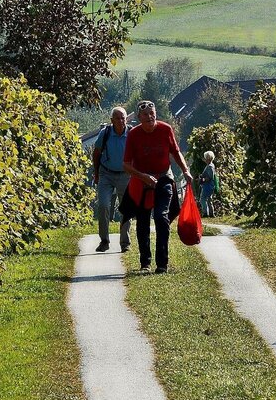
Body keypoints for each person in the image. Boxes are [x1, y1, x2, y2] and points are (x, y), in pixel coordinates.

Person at [123, 100, 194, 274]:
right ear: (139, 118)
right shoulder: (134, 134)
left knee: (161, 218)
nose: (150, 117)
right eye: (145, 115)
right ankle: (145, 263)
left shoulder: (166, 129)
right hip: (142, 180)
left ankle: (162, 263)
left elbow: (175, 152)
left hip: (164, 177)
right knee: (143, 220)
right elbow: (126, 165)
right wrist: (144, 177)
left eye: (152, 113)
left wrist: (185, 170)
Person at [92, 107, 132, 253]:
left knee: (126, 208)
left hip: (126, 175)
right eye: (118, 118)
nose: (121, 121)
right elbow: (96, 154)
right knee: (103, 205)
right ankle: (104, 241)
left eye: (123, 118)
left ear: (126, 119)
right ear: (112, 120)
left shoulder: (131, 133)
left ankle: (125, 242)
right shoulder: (106, 133)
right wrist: (96, 173)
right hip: (106, 174)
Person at [199, 151, 217, 218]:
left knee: (202, 199)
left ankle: (205, 213)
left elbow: (210, 177)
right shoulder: (211, 165)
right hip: (210, 185)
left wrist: (202, 179)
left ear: (208, 159)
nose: (204, 159)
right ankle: (212, 213)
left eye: (205, 158)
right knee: (209, 199)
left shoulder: (209, 167)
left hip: (207, 186)